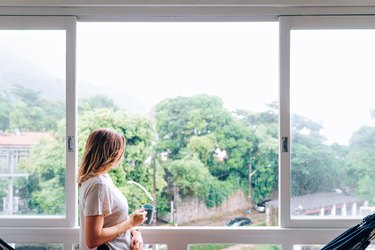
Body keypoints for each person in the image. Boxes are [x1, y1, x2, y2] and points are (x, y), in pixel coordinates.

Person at [78, 128, 147, 250]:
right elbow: (93, 239)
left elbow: (115, 221)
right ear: (112, 153)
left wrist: (135, 232)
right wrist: (131, 222)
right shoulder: (98, 185)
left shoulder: (103, 178)